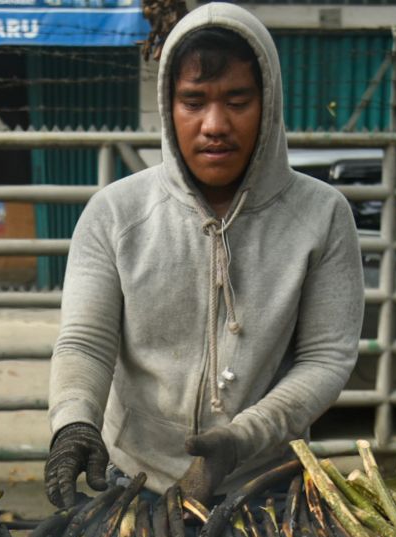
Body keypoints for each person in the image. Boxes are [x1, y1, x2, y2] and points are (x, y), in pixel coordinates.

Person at [44, 2, 364, 507]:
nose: (215, 124)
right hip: (134, 481)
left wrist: (241, 438)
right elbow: (85, 342)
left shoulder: (322, 216)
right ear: (169, 108)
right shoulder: (115, 213)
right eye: (194, 101)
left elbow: (326, 357)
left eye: (238, 100)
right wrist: (74, 423)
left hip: (265, 483)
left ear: (269, 103)